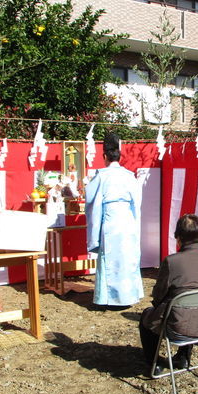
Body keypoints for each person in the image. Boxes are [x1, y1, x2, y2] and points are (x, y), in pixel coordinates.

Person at [139, 214, 198, 374]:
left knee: (148, 315)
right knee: (192, 305)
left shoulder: (172, 262)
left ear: (178, 237)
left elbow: (158, 296)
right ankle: (184, 357)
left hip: (178, 327)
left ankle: (154, 364)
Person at [85, 132, 144, 309]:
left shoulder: (101, 176)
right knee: (127, 258)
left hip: (110, 220)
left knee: (110, 258)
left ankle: (108, 298)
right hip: (127, 219)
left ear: (104, 156)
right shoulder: (129, 175)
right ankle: (129, 295)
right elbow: (137, 202)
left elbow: (92, 201)